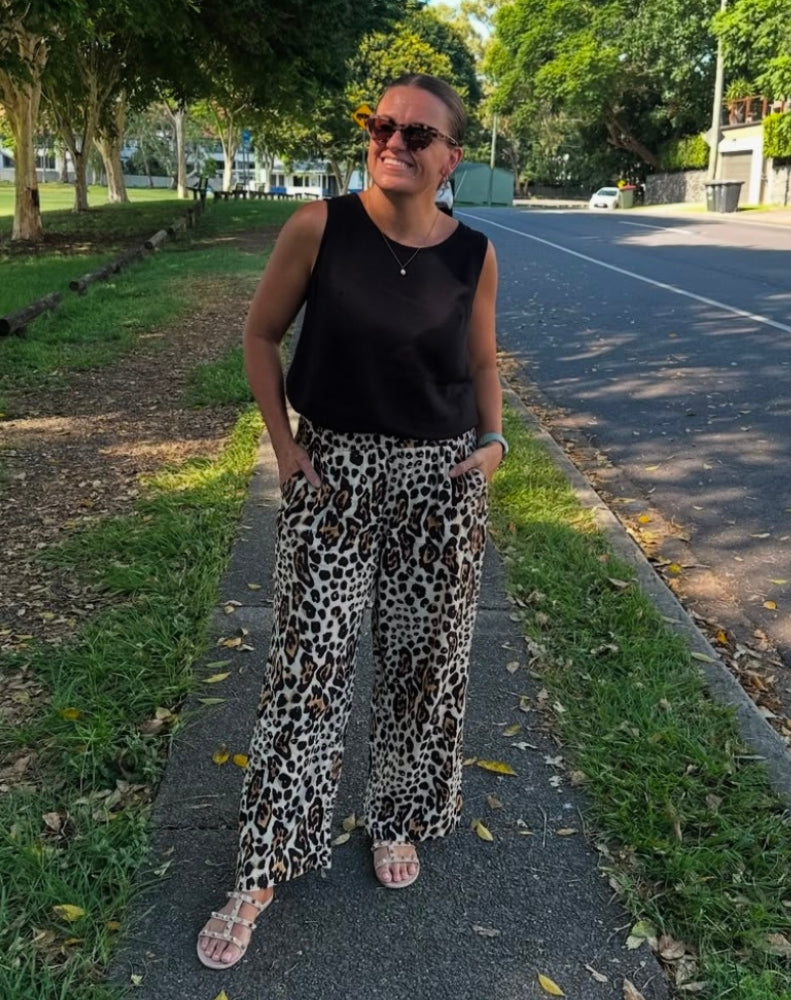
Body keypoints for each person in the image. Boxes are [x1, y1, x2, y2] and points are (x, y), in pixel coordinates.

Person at [197, 72, 505, 971]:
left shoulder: (474, 254)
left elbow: (484, 361)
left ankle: (398, 815)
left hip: (439, 482)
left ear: (451, 159)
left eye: (418, 134)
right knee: (309, 668)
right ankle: (264, 862)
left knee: (425, 665)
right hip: (334, 473)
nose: (394, 142)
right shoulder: (318, 228)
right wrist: (283, 447)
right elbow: (261, 336)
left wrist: (494, 443)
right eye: (382, 125)